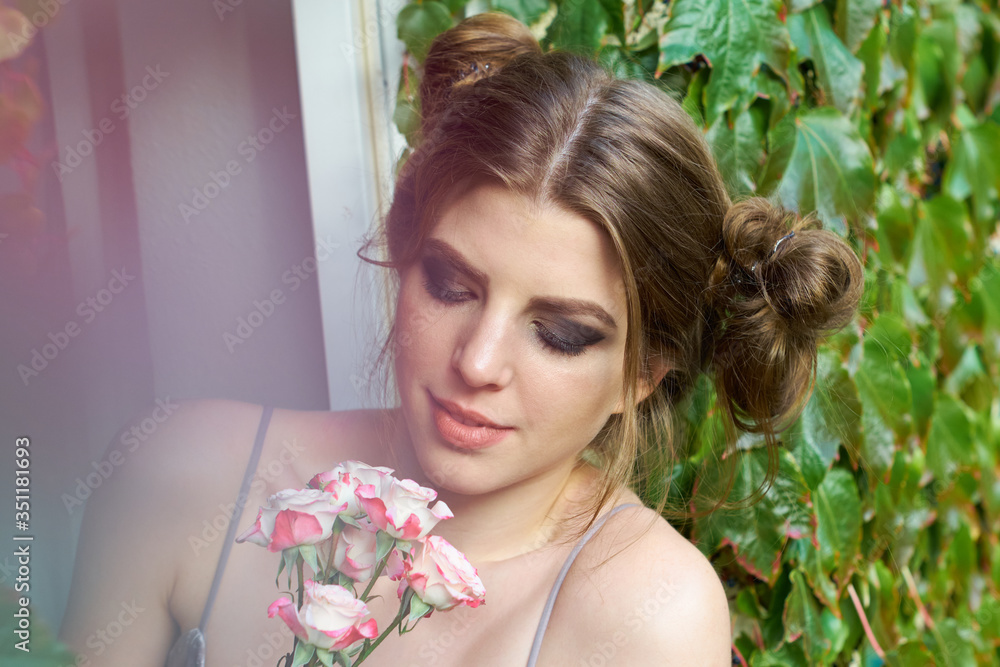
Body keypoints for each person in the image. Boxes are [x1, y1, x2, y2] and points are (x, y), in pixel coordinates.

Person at [59, 12, 862, 667]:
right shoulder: (186, 477)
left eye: (559, 333)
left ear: (642, 374)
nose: (476, 362)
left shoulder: (647, 617)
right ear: (402, 254)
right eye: (449, 285)